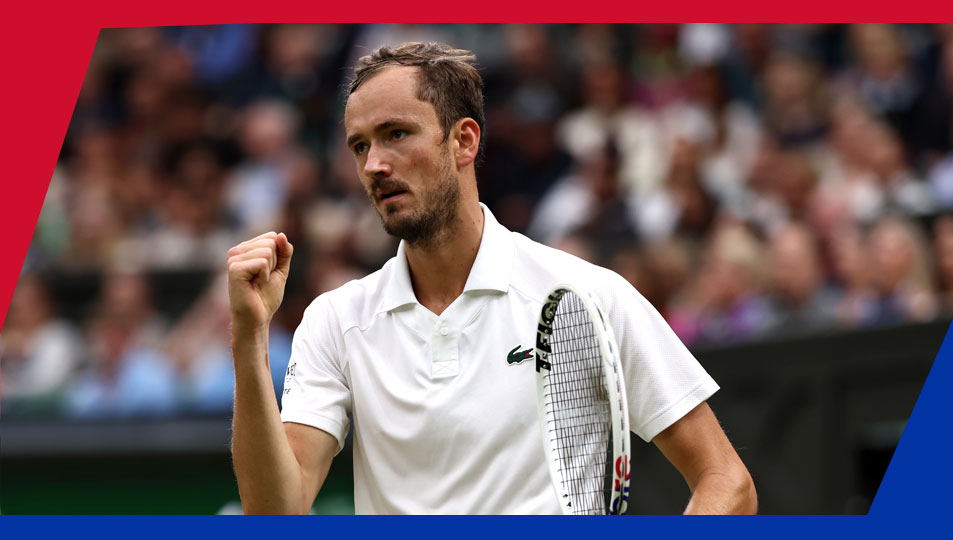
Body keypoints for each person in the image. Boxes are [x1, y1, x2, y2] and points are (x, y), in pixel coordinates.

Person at [228, 42, 757, 515]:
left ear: (463, 141)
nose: (374, 165)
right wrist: (249, 338)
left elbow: (726, 481)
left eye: (396, 134)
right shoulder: (334, 321)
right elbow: (276, 509)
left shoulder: (589, 296)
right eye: (361, 146)